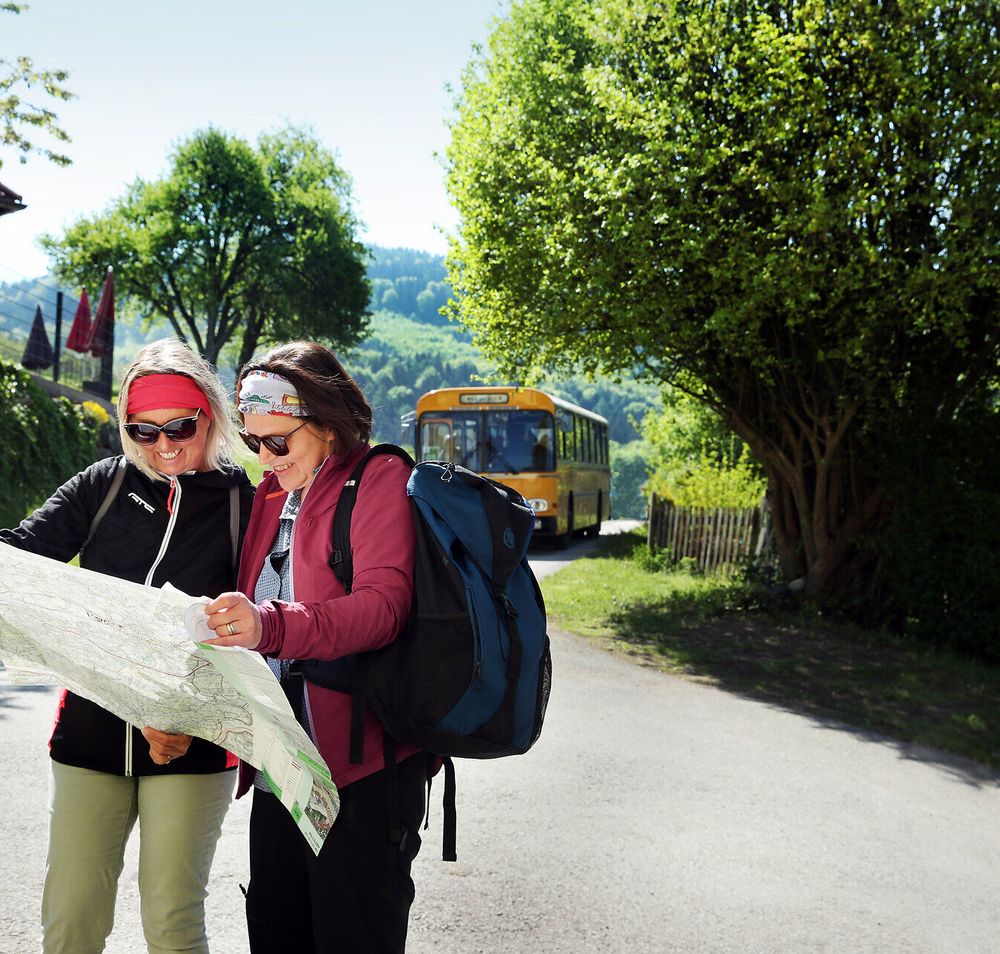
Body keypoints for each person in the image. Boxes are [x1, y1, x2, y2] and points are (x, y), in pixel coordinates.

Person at [0, 337, 255, 954]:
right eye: (144, 431)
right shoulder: (103, 486)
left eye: (180, 427)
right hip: (90, 731)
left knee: (171, 923)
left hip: (192, 742)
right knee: (71, 922)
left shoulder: (246, 506)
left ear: (211, 417)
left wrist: (188, 718)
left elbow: (265, 632)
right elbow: (17, 559)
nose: (163, 446)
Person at [203, 341, 425, 954]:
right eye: (254, 442)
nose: (266, 458)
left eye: (280, 442)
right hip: (283, 767)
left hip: (362, 770)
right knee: (276, 935)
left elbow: (384, 609)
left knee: (352, 937)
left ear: (327, 425)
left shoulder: (379, 478)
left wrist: (269, 624)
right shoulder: (274, 496)